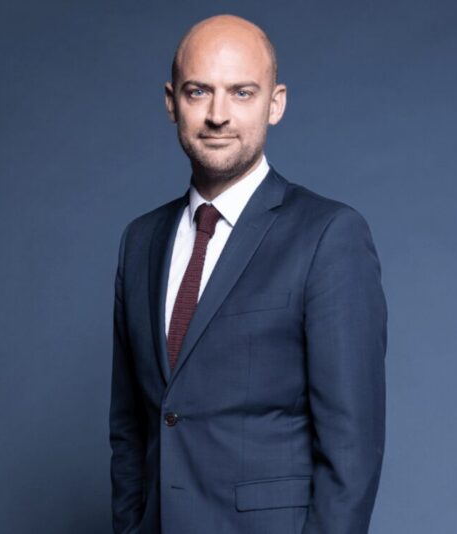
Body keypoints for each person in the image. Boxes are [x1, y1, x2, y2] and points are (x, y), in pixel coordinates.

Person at [109, 13, 387, 534]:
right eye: (198, 92)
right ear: (171, 102)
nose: (218, 115)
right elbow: (129, 428)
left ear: (275, 104)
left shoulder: (328, 235)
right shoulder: (140, 242)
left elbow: (352, 451)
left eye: (241, 93)